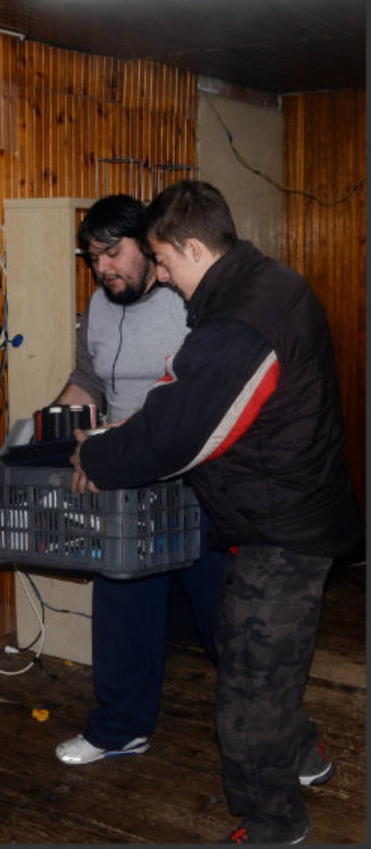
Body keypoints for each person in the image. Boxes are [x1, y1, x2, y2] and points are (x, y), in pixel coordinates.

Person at [70, 180, 362, 845]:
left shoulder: (240, 321)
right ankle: (304, 756)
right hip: (287, 513)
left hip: (279, 527)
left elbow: (183, 431)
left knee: (249, 698)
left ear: (193, 247)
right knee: (255, 655)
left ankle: (272, 827)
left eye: (166, 263)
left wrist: (102, 457)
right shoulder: (266, 283)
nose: (164, 279)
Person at [46, 194, 227, 768]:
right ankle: (121, 727)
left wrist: (131, 435)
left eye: (113, 253)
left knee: (225, 612)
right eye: (92, 258)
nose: (103, 269)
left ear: (148, 248)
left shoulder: (189, 301)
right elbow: (88, 379)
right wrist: (47, 430)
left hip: (194, 480)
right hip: (123, 478)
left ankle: (276, 732)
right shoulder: (99, 306)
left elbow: (203, 393)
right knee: (122, 600)